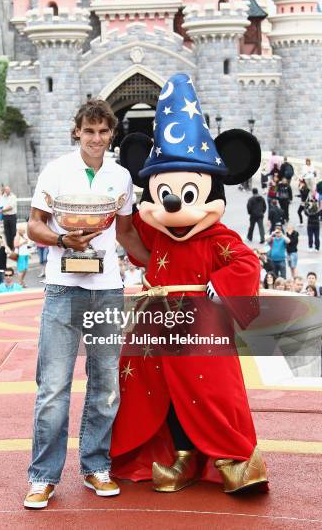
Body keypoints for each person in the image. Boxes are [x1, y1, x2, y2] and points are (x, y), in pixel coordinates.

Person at [110, 74, 268, 497]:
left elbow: (246, 262)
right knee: (162, 392)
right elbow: (130, 239)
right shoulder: (158, 237)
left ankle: (233, 457)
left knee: (212, 389)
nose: (174, 203)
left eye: (188, 192)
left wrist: (223, 284)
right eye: (164, 192)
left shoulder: (219, 239)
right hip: (158, 325)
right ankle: (180, 455)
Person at [24, 98, 149, 509]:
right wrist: (63, 239)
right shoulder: (56, 171)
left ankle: (95, 464)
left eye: (103, 131)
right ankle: (43, 476)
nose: (96, 138)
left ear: (111, 134)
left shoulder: (122, 177)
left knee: (106, 385)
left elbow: (128, 234)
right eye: (88, 131)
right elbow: (34, 225)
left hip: (108, 288)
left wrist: (163, 266)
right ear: (77, 131)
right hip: (63, 287)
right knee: (54, 387)